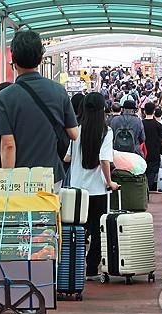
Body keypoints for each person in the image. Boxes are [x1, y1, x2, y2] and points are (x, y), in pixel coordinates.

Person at [0, 30, 78, 194]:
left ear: (14, 60)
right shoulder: (59, 91)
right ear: (40, 58)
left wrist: (7, 182)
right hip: (51, 175)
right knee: (48, 217)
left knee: (22, 218)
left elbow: (8, 145)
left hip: (20, 179)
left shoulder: (4, 98)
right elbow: (74, 134)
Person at [64, 92, 119, 279]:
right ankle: (91, 268)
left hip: (76, 190)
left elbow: (67, 157)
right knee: (97, 231)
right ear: (103, 108)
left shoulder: (76, 129)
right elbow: (104, 160)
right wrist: (110, 182)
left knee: (77, 230)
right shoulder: (106, 131)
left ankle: (73, 266)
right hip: (97, 190)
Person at [142, 103, 162, 191]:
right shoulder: (157, 125)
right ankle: (148, 189)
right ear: (154, 111)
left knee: (143, 171)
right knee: (152, 173)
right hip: (155, 152)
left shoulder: (141, 124)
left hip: (142, 153)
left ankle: (143, 189)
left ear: (144, 111)